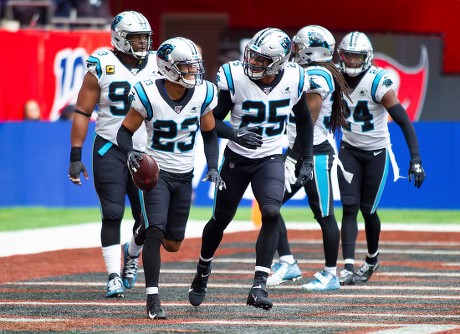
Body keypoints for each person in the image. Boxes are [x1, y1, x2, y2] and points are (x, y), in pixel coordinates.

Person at [188, 27, 314, 311]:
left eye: (261, 60)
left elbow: (304, 120)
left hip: (270, 157)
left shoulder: (295, 78)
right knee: (221, 219)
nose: (253, 63)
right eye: (253, 57)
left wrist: (306, 159)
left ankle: (259, 285)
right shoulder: (234, 77)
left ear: (280, 61)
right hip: (237, 158)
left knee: (271, 212)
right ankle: (202, 271)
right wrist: (234, 133)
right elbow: (210, 122)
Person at [116, 37, 225, 320]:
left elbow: (210, 134)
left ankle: (136, 237)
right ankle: (153, 299)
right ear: (169, 68)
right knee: (156, 231)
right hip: (155, 175)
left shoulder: (203, 94)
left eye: (193, 66)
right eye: (187, 67)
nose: (193, 72)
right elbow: (124, 132)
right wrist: (129, 153)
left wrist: (213, 167)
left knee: (173, 242)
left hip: (184, 175)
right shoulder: (148, 94)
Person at [68, 11, 158, 298]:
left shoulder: (158, 64)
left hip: (144, 150)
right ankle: (113, 275)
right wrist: (75, 154)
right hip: (109, 147)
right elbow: (82, 111)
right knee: (112, 213)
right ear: (120, 38)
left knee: (147, 220)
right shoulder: (102, 65)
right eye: (136, 38)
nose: (143, 43)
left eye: (145, 37)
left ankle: (132, 256)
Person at [336, 32, 426, 285]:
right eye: (348, 56)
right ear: (341, 56)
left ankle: (372, 258)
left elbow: (403, 121)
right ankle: (348, 267)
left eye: (357, 57)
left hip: (376, 152)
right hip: (349, 149)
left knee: (368, 209)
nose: (352, 62)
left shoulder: (377, 81)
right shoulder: (334, 77)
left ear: (367, 58)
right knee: (349, 206)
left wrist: (415, 159)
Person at [268, 25, 351, 291]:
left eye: (299, 47)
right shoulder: (311, 72)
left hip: (313, 154)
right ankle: (288, 262)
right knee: (270, 204)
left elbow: (308, 119)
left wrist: (294, 157)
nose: (294, 51)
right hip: (300, 150)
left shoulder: (318, 75)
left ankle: (331, 274)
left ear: (310, 50)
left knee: (324, 214)